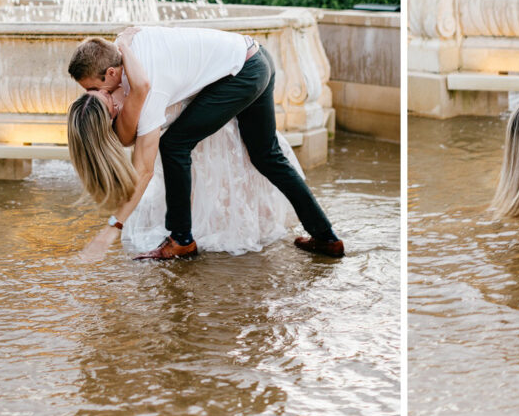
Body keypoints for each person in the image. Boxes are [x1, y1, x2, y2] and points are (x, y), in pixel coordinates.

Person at [66, 26, 344, 261]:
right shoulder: (122, 53)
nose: (94, 95)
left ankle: (181, 240)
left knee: (174, 145)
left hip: (244, 73)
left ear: (112, 73)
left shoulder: (148, 84)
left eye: (94, 88)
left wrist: (112, 229)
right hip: (256, 57)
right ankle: (326, 238)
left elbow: (144, 170)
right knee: (266, 155)